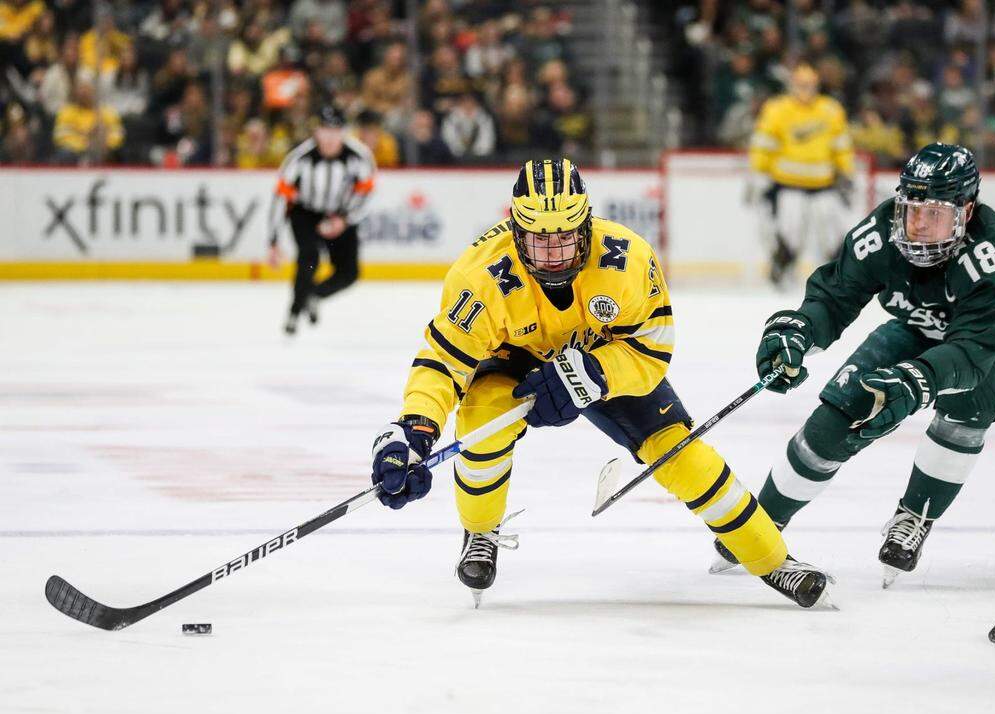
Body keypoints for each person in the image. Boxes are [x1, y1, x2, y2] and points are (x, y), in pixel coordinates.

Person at [368, 158, 832, 609]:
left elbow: (653, 349)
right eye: (538, 242)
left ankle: (772, 559)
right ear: (515, 233)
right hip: (512, 357)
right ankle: (480, 530)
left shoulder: (628, 259)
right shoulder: (479, 276)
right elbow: (442, 361)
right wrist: (416, 430)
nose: (552, 257)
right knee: (480, 423)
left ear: (587, 227)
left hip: (600, 356)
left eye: (565, 240)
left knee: (681, 453)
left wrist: (589, 375)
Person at [712, 144, 995, 588]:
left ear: (967, 210)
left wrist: (919, 379)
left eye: (935, 214)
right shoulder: (880, 232)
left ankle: (916, 514)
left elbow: (975, 349)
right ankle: (762, 525)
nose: (918, 226)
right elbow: (834, 295)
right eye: (911, 210)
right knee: (842, 407)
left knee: (970, 393)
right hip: (931, 325)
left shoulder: (992, 252)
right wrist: (797, 332)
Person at [267, 104, 376, 335]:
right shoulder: (300, 158)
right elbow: (280, 198)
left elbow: (366, 193)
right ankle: (294, 312)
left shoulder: (359, 156)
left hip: (341, 213)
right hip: (306, 213)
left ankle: (314, 295)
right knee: (309, 257)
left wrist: (345, 220)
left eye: (335, 131)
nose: (329, 137)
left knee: (350, 273)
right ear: (316, 132)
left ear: (344, 132)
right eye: (324, 130)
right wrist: (273, 241)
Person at [748, 63, 854, 286]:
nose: (805, 89)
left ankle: (838, 279)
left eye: (809, 85)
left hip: (824, 185)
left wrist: (846, 171)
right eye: (801, 85)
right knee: (789, 233)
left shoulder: (831, 109)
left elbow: (841, 145)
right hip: (788, 185)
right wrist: (758, 174)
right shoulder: (777, 109)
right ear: (792, 85)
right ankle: (781, 274)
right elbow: (763, 144)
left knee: (832, 233)